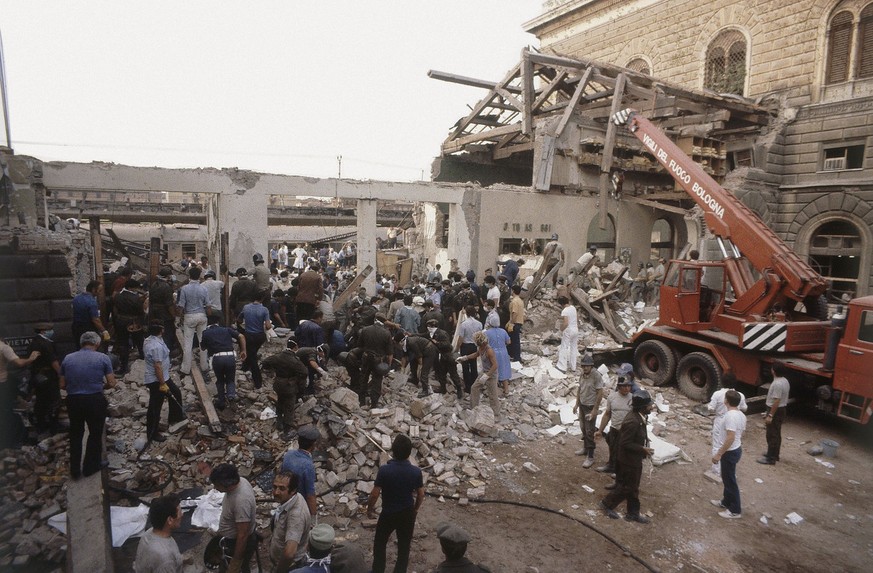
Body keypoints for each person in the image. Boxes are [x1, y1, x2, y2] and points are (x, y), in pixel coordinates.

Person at [60, 331, 116, 478]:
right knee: (95, 433)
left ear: (81, 343)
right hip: (94, 399)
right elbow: (112, 382)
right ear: (97, 343)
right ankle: (90, 467)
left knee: (76, 433)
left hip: (74, 400)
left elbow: (62, 384)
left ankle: (75, 471)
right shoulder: (103, 358)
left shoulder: (67, 358)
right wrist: (99, 387)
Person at [367, 434, 425, 573]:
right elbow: (421, 494)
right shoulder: (416, 472)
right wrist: (415, 509)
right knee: (404, 548)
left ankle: (378, 570)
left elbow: (375, 494)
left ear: (393, 450)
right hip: (407, 513)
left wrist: (369, 509)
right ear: (409, 453)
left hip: (388, 513)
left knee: (380, 544)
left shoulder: (385, 470)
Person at [600, 389, 655, 524]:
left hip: (633, 459)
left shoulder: (639, 417)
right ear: (642, 407)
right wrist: (642, 449)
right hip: (628, 461)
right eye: (649, 405)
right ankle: (606, 504)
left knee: (633, 487)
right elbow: (625, 443)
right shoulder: (633, 421)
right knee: (626, 487)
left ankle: (633, 513)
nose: (651, 407)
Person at [143, 322, 187, 443]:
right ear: (161, 330)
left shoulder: (152, 340)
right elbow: (158, 366)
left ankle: (175, 417)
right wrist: (162, 383)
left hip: (164, 377)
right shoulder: (155, 346)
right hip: (157, 379)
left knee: (175, 393)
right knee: (155, 406)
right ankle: (152, 433)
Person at [211, 463, 257, 573]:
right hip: (230, 539)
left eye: (217, 485)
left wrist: (236, 562)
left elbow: (243, 535)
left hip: (235, 543)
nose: (215, 488)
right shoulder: (241, 481)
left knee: (238, 569)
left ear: (227, 484)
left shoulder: (241, 501)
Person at [705, 372, 748, 482]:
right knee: (732, 444)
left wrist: (710, 408)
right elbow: (744, 408)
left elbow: (711, 408)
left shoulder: (718, 394)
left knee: (717, 444)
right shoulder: (740, 395)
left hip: (721, 420)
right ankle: (728, 470)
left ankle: (717, 470)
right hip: (735, 420)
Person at [200, 314, 247, 410]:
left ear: (208, 323)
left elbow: (203, 347)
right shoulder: (226, 329)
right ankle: (231, 396)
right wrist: (243, 350)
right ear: (218, 322)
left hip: (217, 358)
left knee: (220, 380)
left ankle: (221, 402)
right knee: (230, 379)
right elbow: (241, 336)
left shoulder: (205, 333)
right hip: (230, 356)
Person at [711, 390, 746, 519]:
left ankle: (735, 510)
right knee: (727, 478)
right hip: (734, 449)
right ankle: (726, 501)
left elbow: (730, 437)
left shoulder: (730, 416)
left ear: (726, 401)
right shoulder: (741, 415)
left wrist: (719, 453)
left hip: (729, 451)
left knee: (730, 480)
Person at [262, 340, 309, 433]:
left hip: (278, 384)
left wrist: (273, 370)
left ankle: (279, 423)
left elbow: (265, 362)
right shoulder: (295, 360)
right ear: (295, 347)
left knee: (280, 402)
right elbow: (304, 372)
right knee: (289, 407)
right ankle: (287, 430)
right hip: (289, 386)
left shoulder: (277, 356)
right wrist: (297, 380)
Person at [270, 470, 312, 572]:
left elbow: (289, 553)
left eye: (282, 488)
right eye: (275, 487)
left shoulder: (296, 516)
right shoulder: (293, 498)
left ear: (293, 491)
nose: (276, 492)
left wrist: (279, 571)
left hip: (290, 566)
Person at [0, 340, 39, 448]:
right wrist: (31, 358)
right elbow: (19, 363)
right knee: (7, 415)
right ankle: (11, 443)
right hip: (2, 384)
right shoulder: (3, 347)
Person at [26, 322, 62, 434]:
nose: (52, 332)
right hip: (48, 376)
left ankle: (41, 425)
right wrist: (61, 375)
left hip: (38, 376)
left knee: (41, 401)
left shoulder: (34, 342)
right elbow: (53, 361)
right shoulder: (45, 343)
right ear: (43, 331)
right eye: (50, 329)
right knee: (54, 400)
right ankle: (53, 427)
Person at [133, 493, 183, 573]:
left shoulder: (149, 532)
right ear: (170, 520)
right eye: (180, 512)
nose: (182, 514)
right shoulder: (165, 558)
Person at [595, 377, 633, 475]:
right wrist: (600, 430)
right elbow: (607, 414)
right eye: (624, 386)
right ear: (619, 386)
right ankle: (611, 466)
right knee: (613, 448)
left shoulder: (633, 398)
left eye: (629, 386)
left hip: (627, 431)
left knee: (623, 452)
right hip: (615, 428)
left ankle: (619, 471)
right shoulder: (612, 397)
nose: (627, 388)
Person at [573, 354, 606, 468]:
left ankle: (591, 456)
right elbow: (579, 388)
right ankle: (586, 448)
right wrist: (577, 404)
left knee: (590, 431)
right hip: (582, 405)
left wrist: (595, 410)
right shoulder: (582, 374)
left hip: (590, 406)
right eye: (583, 366)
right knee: (583, 428)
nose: (585, 368)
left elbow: (600, 393)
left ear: (591, 366)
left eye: (587, 366)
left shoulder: (596, 376)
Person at [177, 266, 210, 376]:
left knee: (188, 343)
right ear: (199, 276)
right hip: (202, 316)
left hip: (189, 316)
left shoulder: (184, 289)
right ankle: (204, 366)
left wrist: (178, 318)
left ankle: (185, 368)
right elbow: (208, 306)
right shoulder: (204, 289)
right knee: (203, 342)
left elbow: (181, 306)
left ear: (189, 276)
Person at [281, 426, 320, 515]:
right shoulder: (308, 465)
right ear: (313, 445)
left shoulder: (288, 455)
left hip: (285, 502)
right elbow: (310, 495)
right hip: (299, 507)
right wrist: (313, 516)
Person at [459, 331, 500, 417]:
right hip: (484, 372)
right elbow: (476, 354)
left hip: (491, 375)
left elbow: (495, 365)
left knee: (493, 395)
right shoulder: (481, 348)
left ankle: (496, 414)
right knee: (474, 388)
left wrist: (487, 375)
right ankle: (474, 408)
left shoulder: (489, 351)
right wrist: (465, 357)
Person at [357, 317, 393, 408]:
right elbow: (390, 353)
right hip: (379, 360)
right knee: (377, 381)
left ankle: (361, 401)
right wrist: (388, 365)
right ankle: (374, 404)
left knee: (363, 378)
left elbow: (359, 345)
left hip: (366, 357)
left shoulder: (365, 330)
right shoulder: (386, 333)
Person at [758, 361, 790, 465]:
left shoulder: (777, 384)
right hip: (781, 409)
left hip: (776, 410)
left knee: (771, 435)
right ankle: (774, 455)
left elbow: (776, 401)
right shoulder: (785, 381)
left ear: (773, 371)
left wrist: (770, 415)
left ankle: (770, 458)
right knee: (777, 433)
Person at [112, 279, 146, 375]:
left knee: (123, 344)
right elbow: (140, 311)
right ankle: (143, 359)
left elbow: (115, 310)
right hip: (134, 322)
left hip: (121, 321)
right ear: (131, 288)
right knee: (139, 341)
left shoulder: (118, 296)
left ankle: (123, 367)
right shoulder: (136, 298)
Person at [240, 291, 272, 390]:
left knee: (252, 354)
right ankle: (256, 379)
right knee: (252, 355)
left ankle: (248, 370)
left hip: (249, 335)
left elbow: (239, 320)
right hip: (259, 336)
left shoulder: (246, 307)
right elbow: (268, 326)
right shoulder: (264, 310)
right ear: (262, 299)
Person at [149, 269, 180, 356]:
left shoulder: (154, 284)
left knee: (158, 334)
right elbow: (169, 304)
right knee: (168, 334)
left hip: (155, 313)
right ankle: (166, 355)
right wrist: (173, 315)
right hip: (165, 315)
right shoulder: (166, 287)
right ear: (168, 276)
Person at [71, 280, 110, 349]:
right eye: (99, 290)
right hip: (87, 328)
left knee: (79, 347)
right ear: (93, 290)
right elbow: (95, 320)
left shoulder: (76, 298)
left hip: (76, 327)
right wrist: (104, 331)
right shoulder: (92, 302)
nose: (100, 293)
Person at [455, 306, 483, 394]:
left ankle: (468, 387)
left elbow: (460, 338)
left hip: (465, 346)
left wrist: (457, 348)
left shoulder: (463, 324)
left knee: (465, 366)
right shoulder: (479, 324)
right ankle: (475, 385)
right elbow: (480, 336)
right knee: (474, 365)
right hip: (474, 346)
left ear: (466, 313)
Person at [483, 312, 511, 396]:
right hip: (503, 352)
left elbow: (484, 343)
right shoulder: (503, 331)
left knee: (493, 371)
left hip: (492, 353)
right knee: (504, 370)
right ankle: (506, 390)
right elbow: (509, 341)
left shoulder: (486, 333)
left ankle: (494, 391)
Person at [556, 296, 578, 373]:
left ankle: (562, 367)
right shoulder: (573, 308)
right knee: (573, 348)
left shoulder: (565, 311)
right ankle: (573, 367)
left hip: (569, 330)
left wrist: (560, 330)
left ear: (561, 304)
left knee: (564, 347)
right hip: (575, 329)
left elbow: (565, 323)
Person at [507, 285, 524, 362]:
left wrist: (511, 323)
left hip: (515, 322)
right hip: (519, 322)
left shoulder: (514, 301)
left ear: (513, 291)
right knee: (515, 340)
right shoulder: (520, 300)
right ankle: (513, 355)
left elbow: (515, 313)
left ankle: (516, 357)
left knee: (514, 341)